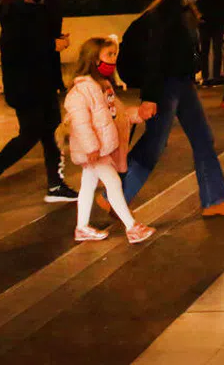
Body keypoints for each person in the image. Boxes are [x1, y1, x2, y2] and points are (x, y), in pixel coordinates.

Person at [113, 0, 224, 218]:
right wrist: (149, 97)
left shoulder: (182, 12)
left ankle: (214, 199)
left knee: (202, 139)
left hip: (181, 83)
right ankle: (117, 195)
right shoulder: (164, 16)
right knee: (155, 143)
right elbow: (154, 59)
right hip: (166, 85)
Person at [0, 0, 77, 206]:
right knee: (29, 134)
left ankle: (55, 184)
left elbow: (48, 44)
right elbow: (12, 49)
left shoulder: (51, 9)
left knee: (52, 133)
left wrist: (58, 46)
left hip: (46, 82)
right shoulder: (13, 11)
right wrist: (51, 45)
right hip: (23, 84)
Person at [61, 36, 155, 244]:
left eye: (115, 54)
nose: (113, 60)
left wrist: (137, 114)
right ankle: (132, 227)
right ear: (95, 60)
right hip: (95, 150)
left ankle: (82, 227)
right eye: (109, 55)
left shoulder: (103, 86)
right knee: (113, 183)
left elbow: (117, 114)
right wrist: (91, 147)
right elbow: (81, 123)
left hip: (100, 148)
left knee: (88, 184)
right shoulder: (83, 90)